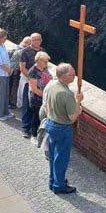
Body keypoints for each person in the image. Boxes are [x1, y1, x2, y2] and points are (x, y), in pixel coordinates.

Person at [44, 63, 83, 194]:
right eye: (72, 74)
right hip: (62, 128)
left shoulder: (52, 85)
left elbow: (46, 105)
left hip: (51, 123)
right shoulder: (66, 93)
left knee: (53, 155)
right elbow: (72, 117)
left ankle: (53, 180)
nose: (74, 77)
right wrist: (78, 102)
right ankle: (59, 185)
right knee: (61, 158)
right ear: (64, 76)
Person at [19, 33, 45, 138]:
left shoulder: (43, 51)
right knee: (27, 105)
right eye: (34, 40)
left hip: (40, 82)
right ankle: (25, 128)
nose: (36, 41)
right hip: (27, 81)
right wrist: (31, 79)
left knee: (37, 106)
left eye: (38, 39)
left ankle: (35, 128)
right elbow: (22, 67)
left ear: (41, 40)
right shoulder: (24, 52)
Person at [28, 51, 52, 143]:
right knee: (36, 117)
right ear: (38, 61)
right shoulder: (33, 71)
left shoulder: (44, 68)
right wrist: (45, 96)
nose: (47, 63)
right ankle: (33, 135)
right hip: (37, 99)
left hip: (45, 98)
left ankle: (41, 134)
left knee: (43, 118)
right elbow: (34, 89)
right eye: (45, 61)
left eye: (47, 61)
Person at [0, 29, 13, 121]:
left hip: (6, 73)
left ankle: (5, 111)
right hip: (1, 74)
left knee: (6, 93)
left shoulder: (3, 45)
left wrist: (9, 69)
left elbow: (6, 59)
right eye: (5, 37)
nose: (6, 39)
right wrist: (8, 70)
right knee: (1, 94)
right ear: (1, 37)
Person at [10, 36, 30, 109]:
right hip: (15, 71)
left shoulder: (18, 47)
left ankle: (12, 102)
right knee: (15, 87)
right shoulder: (22, 51)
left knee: (14, 86)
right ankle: (13, 103)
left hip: (13, 70)